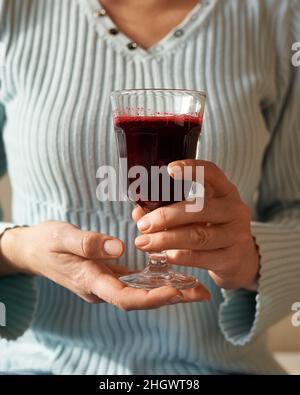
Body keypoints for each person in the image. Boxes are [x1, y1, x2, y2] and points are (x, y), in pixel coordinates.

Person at [0, 0, 299, 375]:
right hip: (42, 365)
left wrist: (252, 258)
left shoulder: (282, 17)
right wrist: (17, 248)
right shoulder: (11, 11)